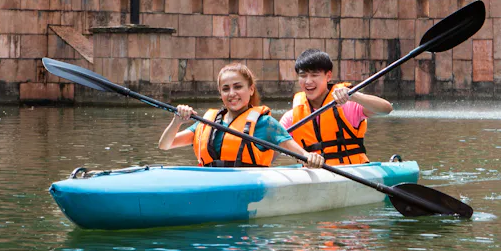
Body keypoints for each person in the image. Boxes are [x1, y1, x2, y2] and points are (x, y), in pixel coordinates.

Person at [159, 62, 324, 168]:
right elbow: (165, 145)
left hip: (249, 188)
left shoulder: (265, 124)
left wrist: (310, 158)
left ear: (251, 89)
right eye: (226, 89)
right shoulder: (206, 123)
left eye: (238, 87)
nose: (232, 94)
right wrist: (177, 121)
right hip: (210, 182)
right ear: (220, 93)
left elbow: (301, 154)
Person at [280, 49, 393, 166]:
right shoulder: (291, 118)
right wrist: (303, 154)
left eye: (314, 75)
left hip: (352, 171)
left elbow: (386, 109)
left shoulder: (346, 106)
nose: (308, 81)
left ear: (328, 76)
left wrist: (354, 96)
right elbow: (276, 142)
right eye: (303, 76)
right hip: (313, 174)